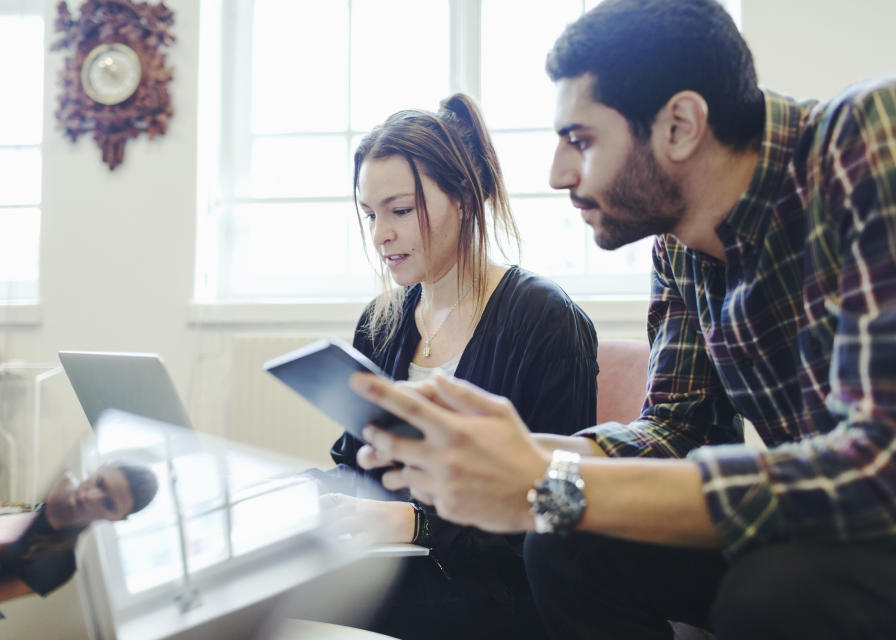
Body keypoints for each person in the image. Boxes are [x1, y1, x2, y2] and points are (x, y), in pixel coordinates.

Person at [347, 1, 896, 638]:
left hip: (871, 522)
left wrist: (549, 480)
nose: (558, 174)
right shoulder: (680, 244)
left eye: (580, 140)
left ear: (681, 125)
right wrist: (526, 455)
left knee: (774, 591)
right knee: (563, 543)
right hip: (815, 524)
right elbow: (676, 430)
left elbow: (878, 466)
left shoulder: (865, 140)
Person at [305, 93, 598, 639]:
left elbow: (560, 511)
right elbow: (358, 467)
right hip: (395, 565)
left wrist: (416, 525)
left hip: (498, 588)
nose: (380, 234)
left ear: (463, 198)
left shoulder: (545, 320)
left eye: (399, 210)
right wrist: (297, 495)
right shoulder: (382, 322)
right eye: (370, 215)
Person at [0, 462, 158, 605]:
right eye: (99, 483)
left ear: (117, 519)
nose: (91, 497)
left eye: (108, 503)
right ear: (101, 468)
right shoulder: (50, 474)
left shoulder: (61, 565)